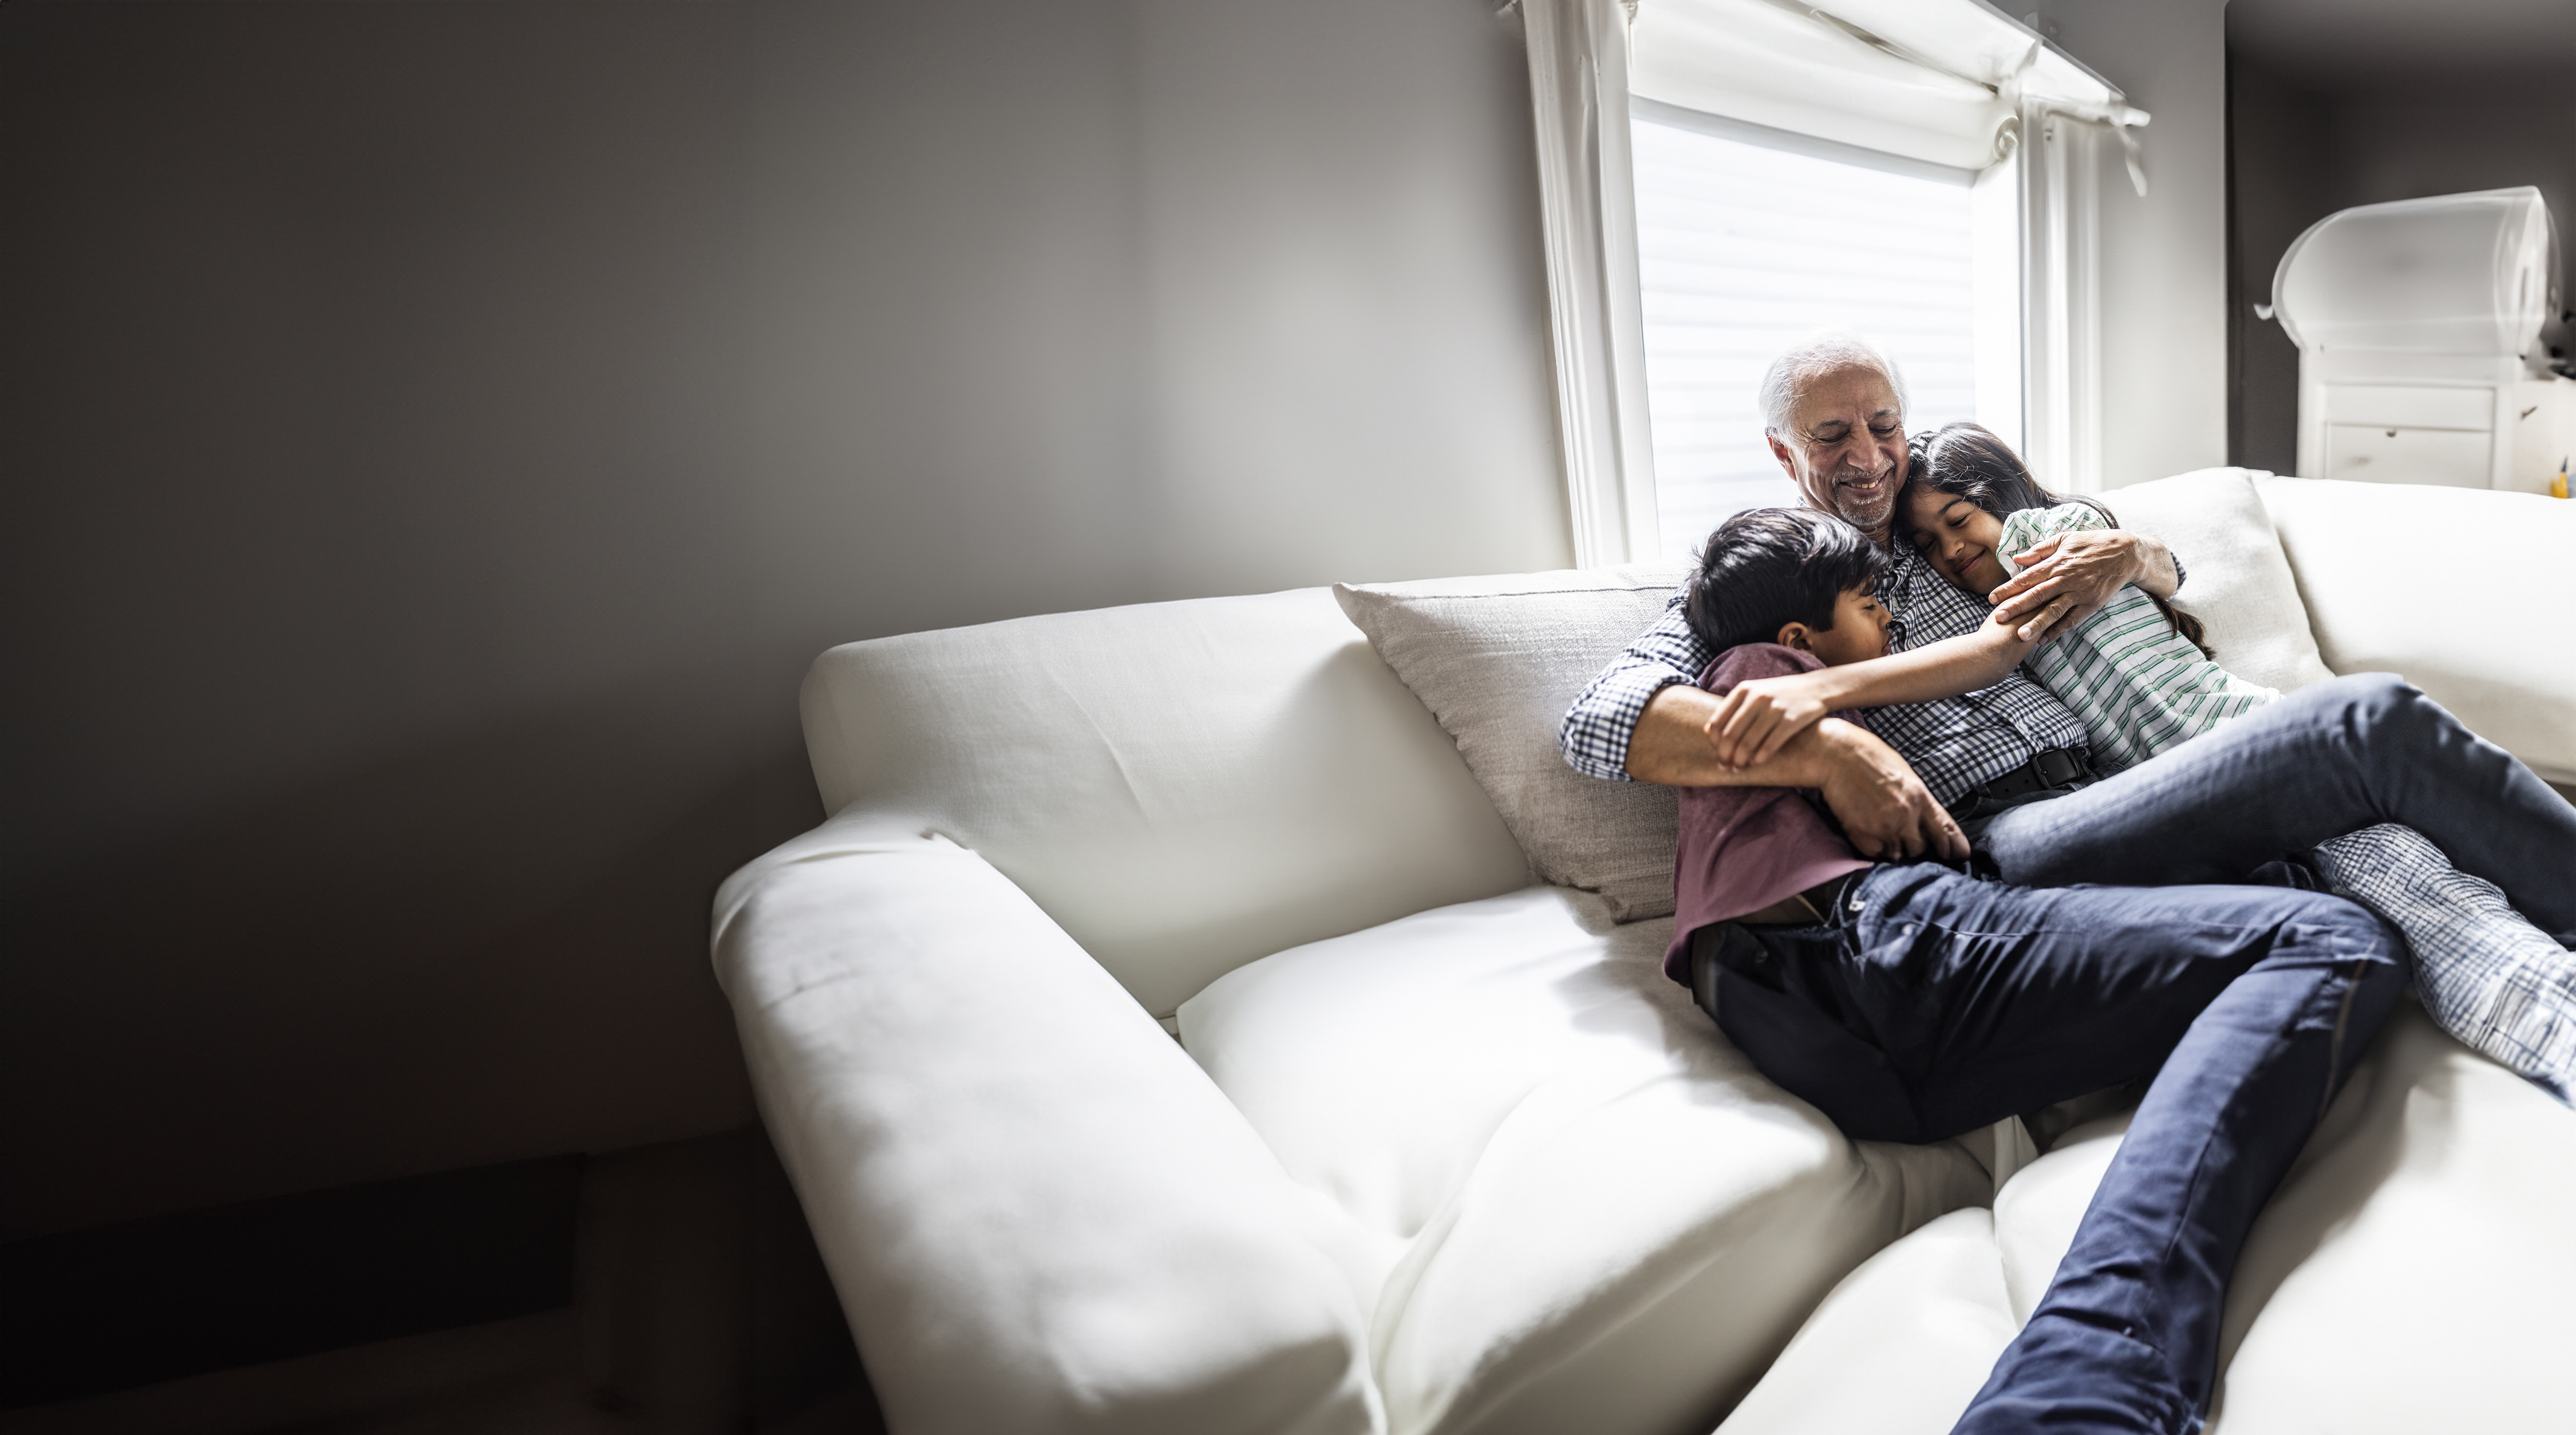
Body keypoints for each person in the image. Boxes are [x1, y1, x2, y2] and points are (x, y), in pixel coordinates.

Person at [1662, 504, 2408, 1435]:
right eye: (1868, 603)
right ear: (1799, 636)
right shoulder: (1763, 679)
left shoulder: (1782, 701)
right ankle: (2081, 1377)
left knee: (2281, 910)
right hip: (1861, 947)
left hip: (1850, 1055)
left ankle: (2081, 1382)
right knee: (2333, 938)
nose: (1889, 622)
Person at [1885, 420, 2576, 1099]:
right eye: (1928, 542)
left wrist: (2126, 550)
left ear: (2001, 496)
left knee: (2418, 890)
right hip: (2205, 797)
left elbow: (2120, 560)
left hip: (2239, 735)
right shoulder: (1978, 597)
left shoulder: (2045, 546)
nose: (1949, 548)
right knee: (2419, 887)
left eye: (1959, 519)